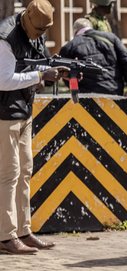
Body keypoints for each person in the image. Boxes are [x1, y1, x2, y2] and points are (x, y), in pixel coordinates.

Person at [0, 0, 64, 255]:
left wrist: (54, 70)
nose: (39, 36)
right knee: (8, 175)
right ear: (26, 19)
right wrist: (40, 76)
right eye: (37, 31)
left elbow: (38, 63)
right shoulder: (6, 38)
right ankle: (6, 236)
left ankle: (23, 230)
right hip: (5, 114)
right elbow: (4, 80)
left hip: (24, 111)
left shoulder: (36, 29)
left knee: (25, 170)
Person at [59, 18, 127, 96]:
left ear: (75, 31)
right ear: (90, 27)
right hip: (113, 90)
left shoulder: (69, 46)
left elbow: (64, 72)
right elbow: (126, 60)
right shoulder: (111, 38)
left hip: (86, 95)